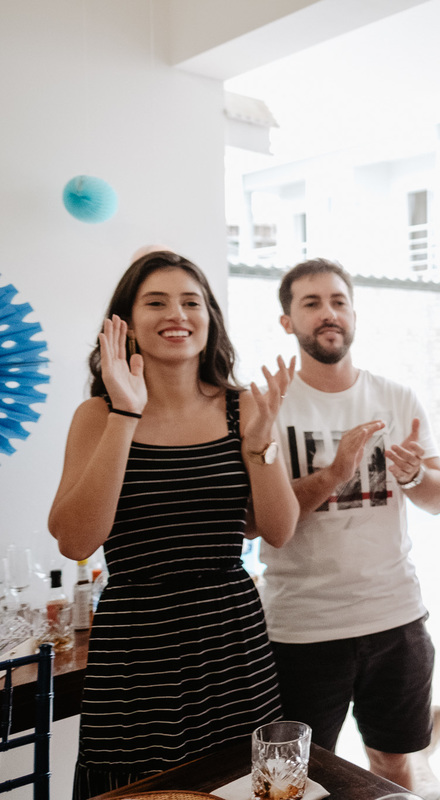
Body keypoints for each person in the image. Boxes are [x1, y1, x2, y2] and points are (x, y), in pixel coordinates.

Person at [47, 251, 299, 798]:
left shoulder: (243, 407)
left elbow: (277, 530)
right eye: (155, 302)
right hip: (138, 642)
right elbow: (75, 539)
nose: (177, 314)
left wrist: (260, 446)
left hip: (230, 633)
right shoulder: (97, 414)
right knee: (140, 788)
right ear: (126, 324)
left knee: (241, 783)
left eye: (191, 301)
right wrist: (125, 412)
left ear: (210, 318)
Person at [259, 258, 440, 790]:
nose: (328, 314)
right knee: (294, 779)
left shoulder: (395, 397)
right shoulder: (267, 406)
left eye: (339, 301)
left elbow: (438, 499)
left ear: (354, 313)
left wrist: (413, 476)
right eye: (312, 303)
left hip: (395, 618)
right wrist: (336, 472)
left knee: (392, 768)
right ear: (286, 320)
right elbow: (261, 522)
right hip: (300, 627)